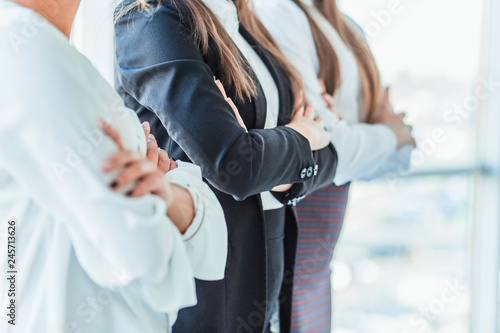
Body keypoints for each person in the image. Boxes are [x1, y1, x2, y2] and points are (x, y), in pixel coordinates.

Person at [0, 1, 227, 332]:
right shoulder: (23, 46)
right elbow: (142, 252)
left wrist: (162, 196)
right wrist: (171, 209)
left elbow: (201, 226)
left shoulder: (54, 51)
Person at [113, 0, 339, 331]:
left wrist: (277, 171)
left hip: (266, 282)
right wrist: (300, 136)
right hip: (209, 286)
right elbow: (234, 164)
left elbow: (329, 155)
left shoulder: (244, 20)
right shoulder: (151, 17)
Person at [254, 0, 416, 331]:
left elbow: (398, 156)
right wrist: (385, 134)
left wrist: (372, 138)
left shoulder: (344, 25)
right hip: (293, 242)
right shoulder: (278, 11)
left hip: (319, 260)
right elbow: (335, 151)